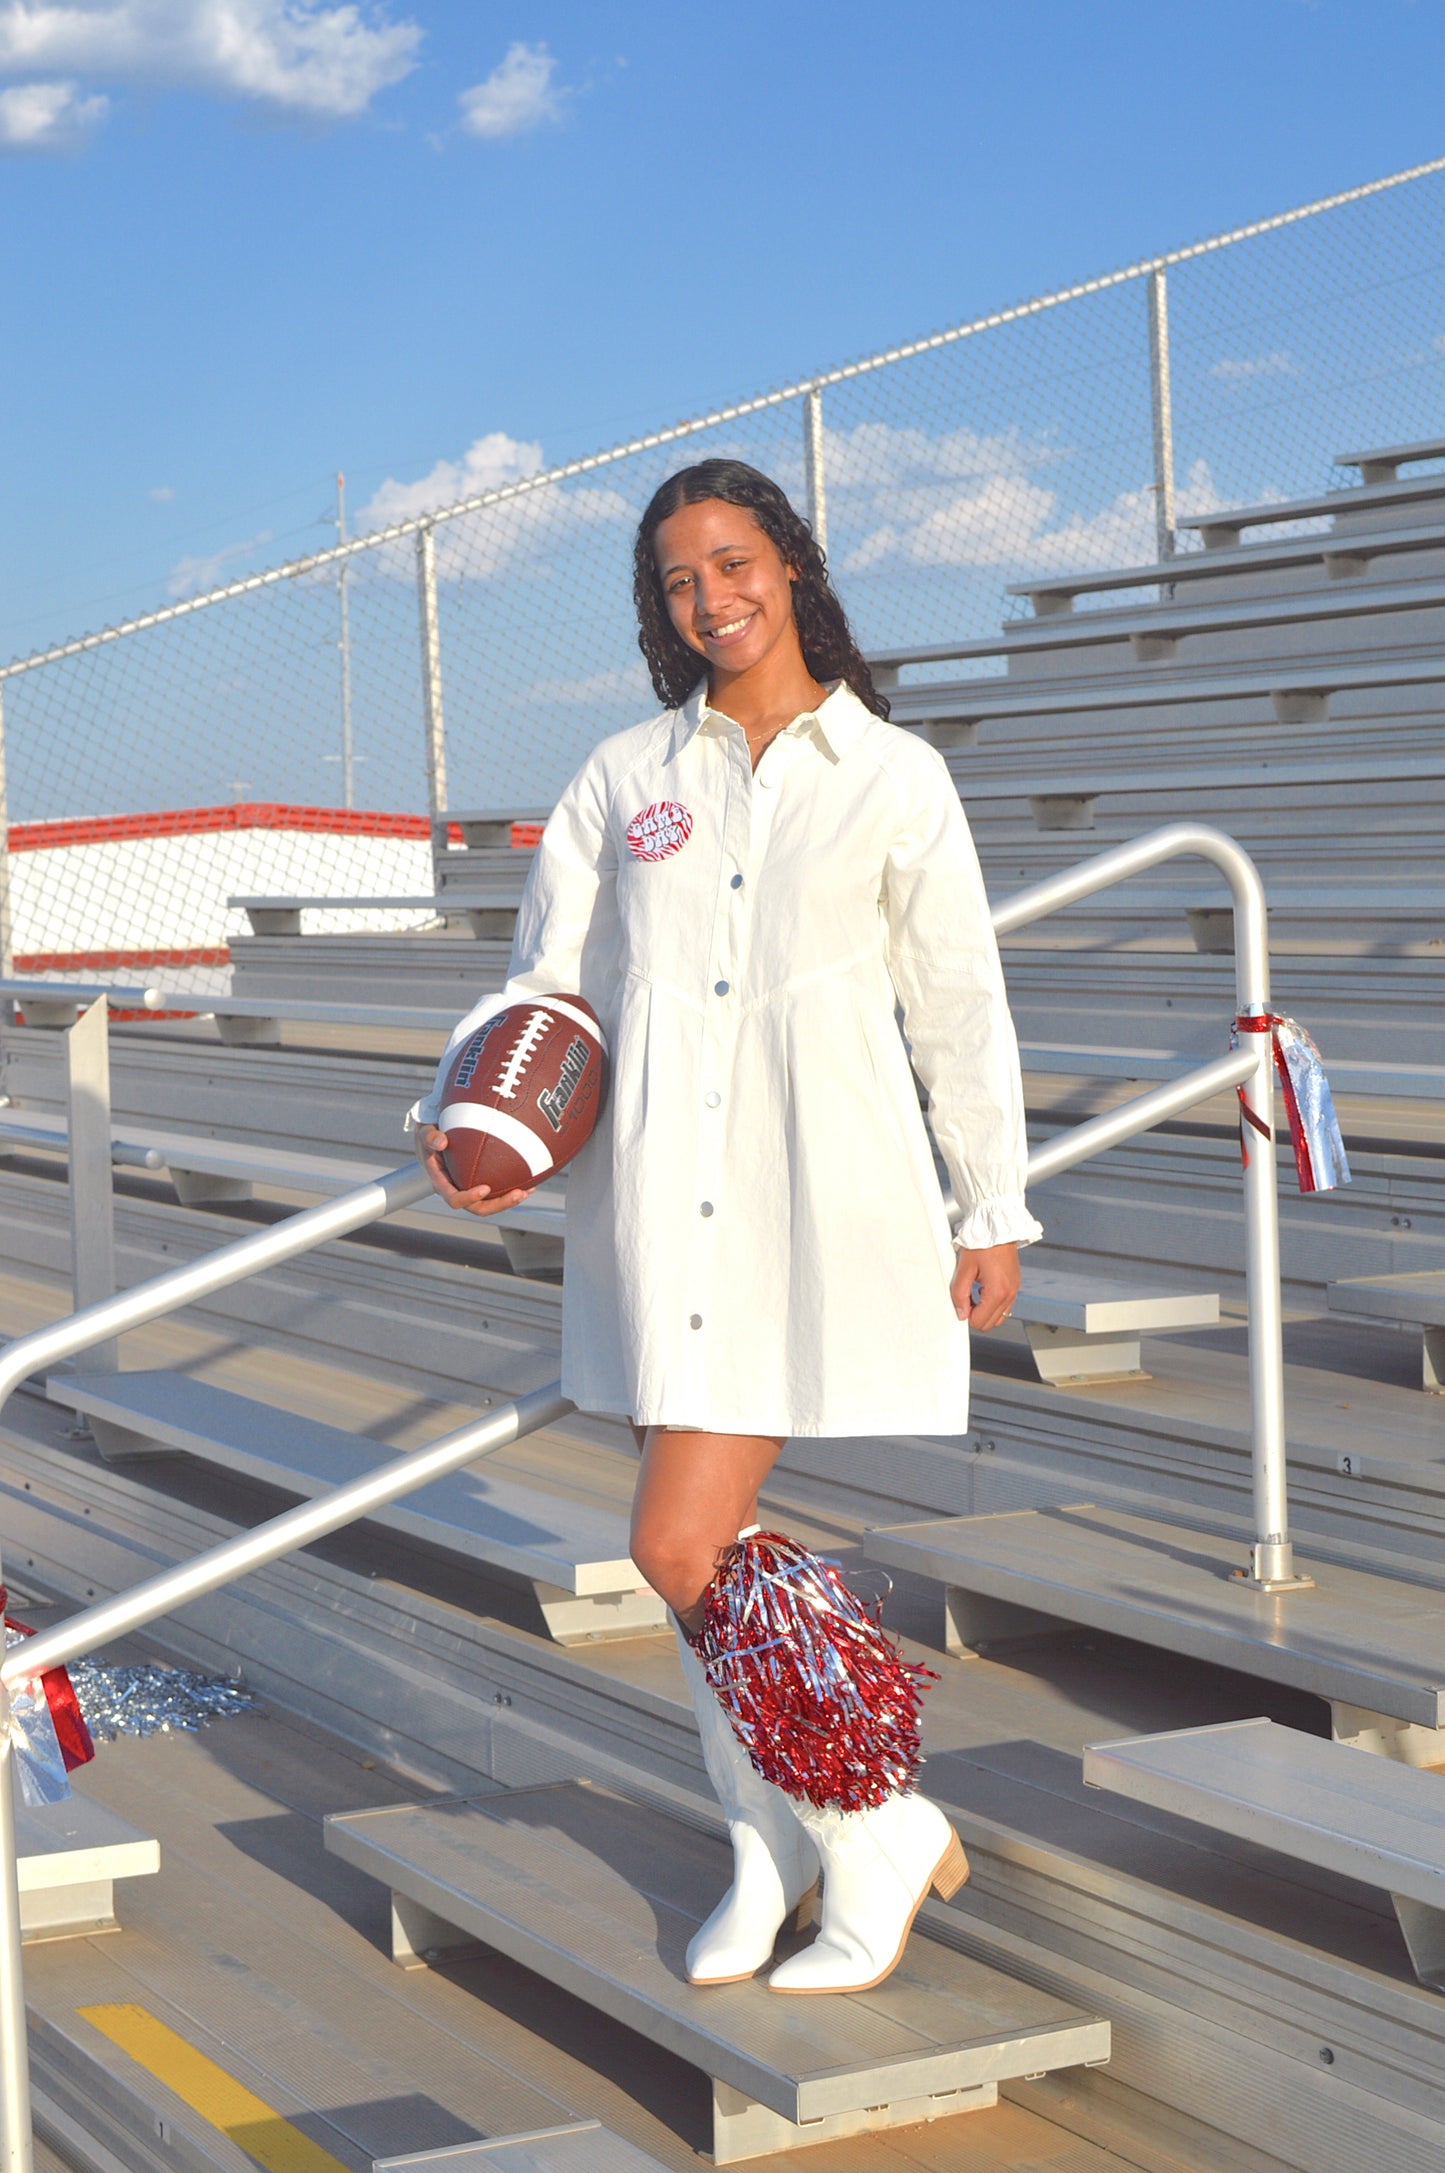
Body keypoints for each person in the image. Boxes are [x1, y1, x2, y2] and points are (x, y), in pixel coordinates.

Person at [410, 457, 1041, 1995]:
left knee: (674, 1538)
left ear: (793, 568)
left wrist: (991, 1197)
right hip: (655, 1200)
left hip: (813, 1192)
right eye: (680, 578)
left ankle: (875, 1821)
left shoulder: (895, 776)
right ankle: (769, 1853)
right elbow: (540, 987)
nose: (712, 599)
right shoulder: (626, 776)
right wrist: (468, 1133)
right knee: (690, 1557)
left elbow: (956, 1001)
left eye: (735, 562)